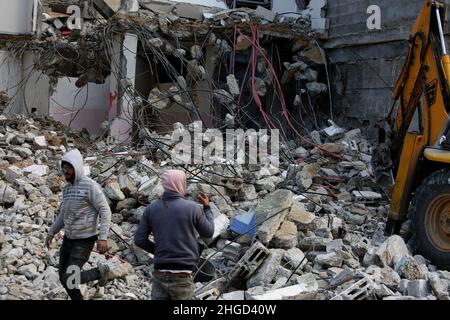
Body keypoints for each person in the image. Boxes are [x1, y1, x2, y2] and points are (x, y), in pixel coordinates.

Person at [134, 169, 214, 300]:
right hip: (183, 274)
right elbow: (208, 232)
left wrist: (160, 251)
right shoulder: (193, 208)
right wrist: (207, 207)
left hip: (160, 272)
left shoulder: (151, 209)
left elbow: (139, 240)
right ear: (181, 184)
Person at [45, 149, 112, 300]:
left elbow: (105, 210)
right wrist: (51, 232)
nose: (65, 171)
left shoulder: (90, 186)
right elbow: (63, 214)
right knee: (64, 278)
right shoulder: (67, 189)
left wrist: (103, 238)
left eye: (69, 167)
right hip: (69, 238)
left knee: (70, 277)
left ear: (77, 167)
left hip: (84, 240)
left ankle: (99, 272)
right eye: (64, 167)